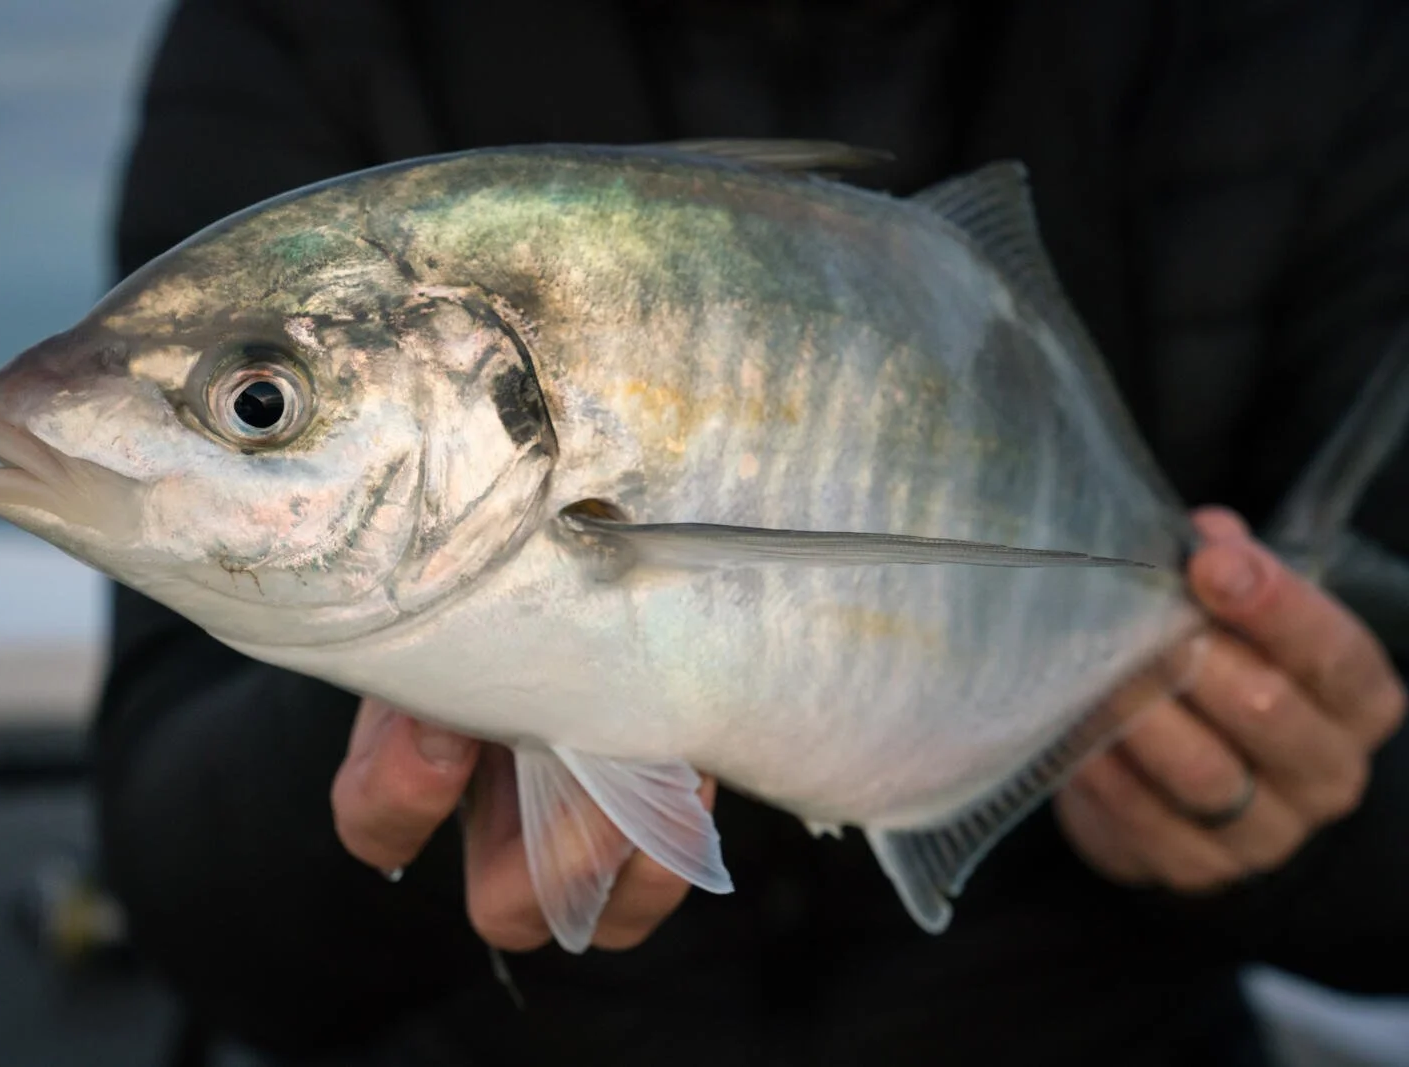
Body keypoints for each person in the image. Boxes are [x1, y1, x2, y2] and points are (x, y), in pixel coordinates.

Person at [94, 1, 1409, 1064]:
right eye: (261, 405)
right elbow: (185, 886)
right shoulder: (300, 27)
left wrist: (1299, 819)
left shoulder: (1310, 40)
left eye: (257, 405)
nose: (250, 420)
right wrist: (429, 737)